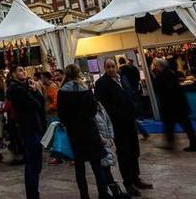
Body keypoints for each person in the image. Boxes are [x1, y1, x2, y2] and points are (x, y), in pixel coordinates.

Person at [95, 58, 151, 197]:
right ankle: (128, 182)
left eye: (113, 66)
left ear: (116, 66)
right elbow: (103, 105)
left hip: (130, 120)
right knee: (124, 153)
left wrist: (135, 108)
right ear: (104, 68)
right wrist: (118, 112)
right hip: (118, 123)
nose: (111, 69)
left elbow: (131, 94)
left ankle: (136, 178)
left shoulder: (122, 78)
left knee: (134, 150)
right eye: (108, 67)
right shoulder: (101, 83)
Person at [58, 64, 111, 199]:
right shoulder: (85, 89)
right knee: (96, 164)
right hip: (89, 130)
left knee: (79, 167)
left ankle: (84, 195)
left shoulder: (62, 91)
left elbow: (62, 115)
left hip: (74, 132)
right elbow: (93, 111)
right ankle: (103, 193)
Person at [7, 66, 45, 199]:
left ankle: (34, 193)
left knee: (35, 163)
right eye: (19, 70)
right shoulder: (17, 89)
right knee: (33, 163)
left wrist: (33, 91)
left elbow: (39, 102)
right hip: (28, 128)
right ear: (13, 74)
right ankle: (33, 194)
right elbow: (36, 104)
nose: (23, 72)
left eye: (23, 70)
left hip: (32, 127)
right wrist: (34, 92)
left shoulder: (22, 87)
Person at [152, 58, 196, 152]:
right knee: (186, 126)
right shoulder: (171, 73)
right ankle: (193, 143)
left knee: (170, 125)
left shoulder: (161, 76)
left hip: (171, 107)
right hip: (179, 105)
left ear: (159, 66)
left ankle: (171, 143)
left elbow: (162, 91)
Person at [94, 103, 129, 199]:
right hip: (99, 143)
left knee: (106, 167)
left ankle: (110, 192)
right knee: (103, 168)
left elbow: (108, 121)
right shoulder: (90, 109)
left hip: (107, 142)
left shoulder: (100, 107)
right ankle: (110, 192)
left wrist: (110, 136)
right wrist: (101, 138)